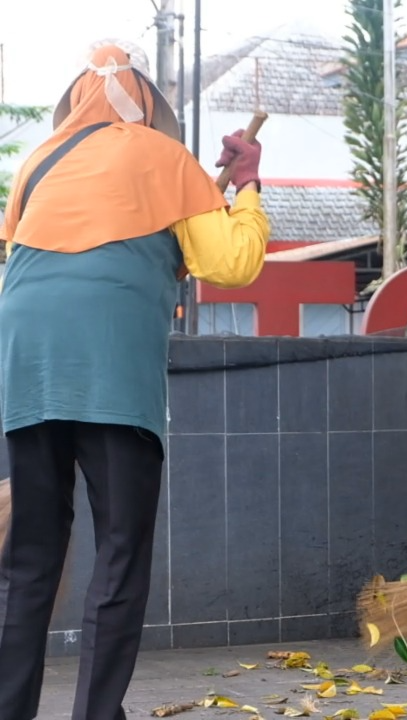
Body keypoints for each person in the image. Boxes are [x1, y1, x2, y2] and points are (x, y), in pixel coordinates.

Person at [0, 40, 269, 718]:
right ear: (151, 108)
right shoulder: (162, 157)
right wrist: (243, 186)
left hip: (26, 360)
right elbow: (234, 263)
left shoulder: (38, 160)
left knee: (29, 556)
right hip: (109, 367)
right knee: (119, 552)